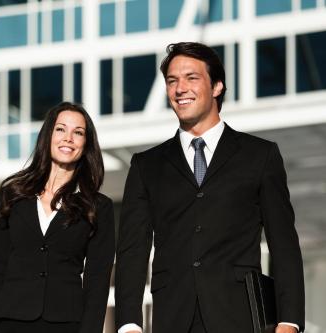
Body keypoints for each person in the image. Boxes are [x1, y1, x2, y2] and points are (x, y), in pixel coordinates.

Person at [114, 42, 305, 333]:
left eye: (191, 78)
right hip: (172, 318)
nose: (180, 89)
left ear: (217, 86)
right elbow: (132, 251)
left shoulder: (260, 156)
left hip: (238, 316)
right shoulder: (146, 165)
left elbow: (284, 244)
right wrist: (129, 324)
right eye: (172, 81)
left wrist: (289, 321)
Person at [0, 102, 115, 333]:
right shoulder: (13, 193)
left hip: (65, 323)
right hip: (9, 320)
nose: (68, 138)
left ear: (86, 144)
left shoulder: (98, 206)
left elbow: (97, 281)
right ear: (48, 135)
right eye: (61, 129)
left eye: (78, 133)